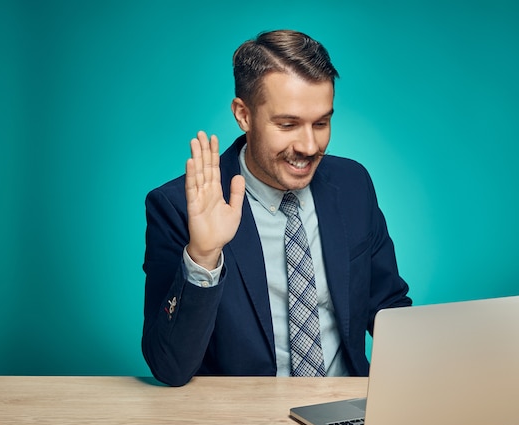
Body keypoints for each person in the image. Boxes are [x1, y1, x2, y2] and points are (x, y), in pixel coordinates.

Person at [142, 29, 412, 387]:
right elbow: (169, 368)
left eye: (322, 123)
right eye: (288, 125)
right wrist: (203, 256)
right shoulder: (177, 207)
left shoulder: (353, 185)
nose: (309, 145)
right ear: (244, 114)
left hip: (346, 409)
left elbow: (388, 306)